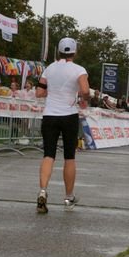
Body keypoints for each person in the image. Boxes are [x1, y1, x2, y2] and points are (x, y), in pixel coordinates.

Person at [35, 38, 90, 214]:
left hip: (50, 115)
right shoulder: (79, 70)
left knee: (48, 155)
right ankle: (68, 197)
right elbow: (86, 90)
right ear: (75, 52)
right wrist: (83, 99)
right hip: (69, 116)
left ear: (58, 51)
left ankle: (42, 191)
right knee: (69, 157)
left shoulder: (49, 69)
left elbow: (39, 92)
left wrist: (53, 92)